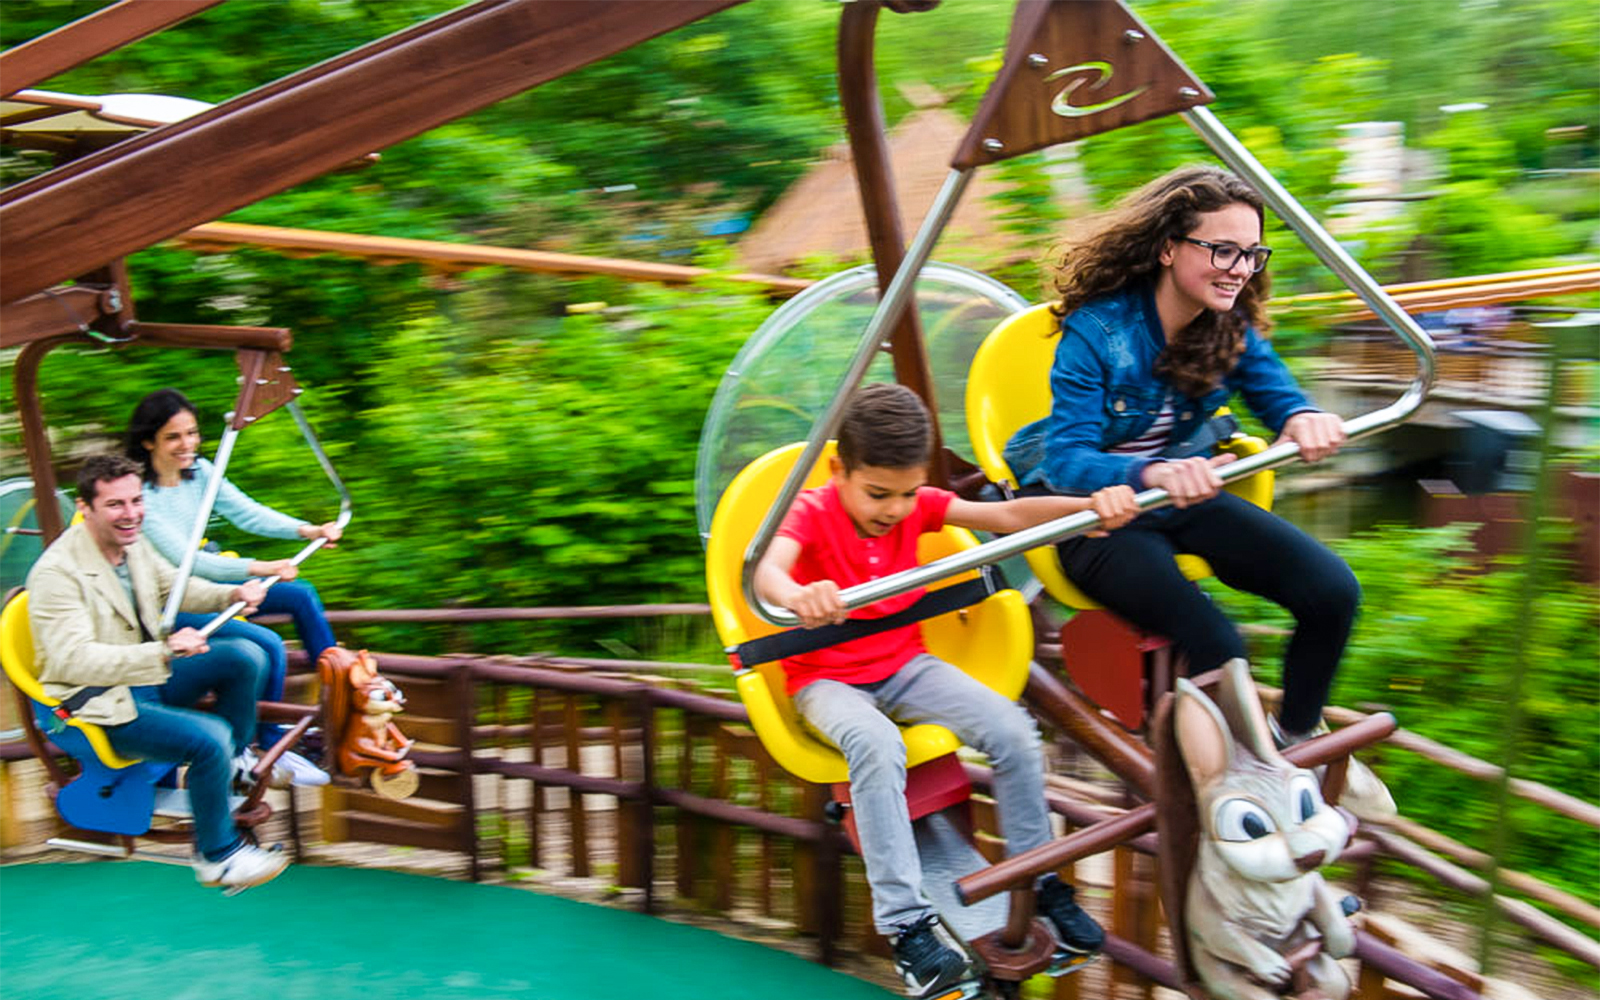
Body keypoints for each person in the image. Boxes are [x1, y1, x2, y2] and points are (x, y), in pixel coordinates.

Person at [1003, 164, 1391, 819]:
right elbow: (1068, 460)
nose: (1239, 267)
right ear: (1168, 248)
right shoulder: (1099, 330)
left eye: (1251, 252)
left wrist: (1302, 418)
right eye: (1222, 249)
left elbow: (1277, 395)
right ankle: (1238, 791)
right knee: (1218, 643)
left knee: (1332, 590)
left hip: (1176, 498)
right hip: (1095, 515)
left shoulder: (1227, 327)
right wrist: (1147, 474)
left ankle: (1295, 737)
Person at [754, 383, 1139, 999]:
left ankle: (1039, 884)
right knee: (878, 746)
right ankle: (909, 930)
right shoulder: (812, 510)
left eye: (908, 493)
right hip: (825, 679)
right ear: (838, 472)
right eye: (878, 493)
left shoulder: (916, 506)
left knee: (1014, 731)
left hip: (905, 665)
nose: (895, 509)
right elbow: (770, 569)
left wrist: (1087, 508)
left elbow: (1007, 516)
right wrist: (798, 595)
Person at [27, 454, 290, 891]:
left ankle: (236, 764)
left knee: (245, 655)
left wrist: (231, 594)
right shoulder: (57, 574)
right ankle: (217, 855)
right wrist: (162, 652)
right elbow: (73, 660)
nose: (130, 514)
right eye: (115, 505)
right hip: (93, 702)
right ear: (84, 507)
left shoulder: (132, 545)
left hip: (143, 680)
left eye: (135, 501)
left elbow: (175, 586)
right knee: (210, 739)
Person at [126, 388, 335, 786]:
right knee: (268, 646)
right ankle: (267, 742)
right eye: (173, 437)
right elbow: (186, 560)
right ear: (148, 440)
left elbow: (245, 512)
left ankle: (343, 686)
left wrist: (307, 529)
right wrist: (257, 569)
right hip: (175, 598)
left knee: (301, 594)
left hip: (213, 583)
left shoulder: (200, 472)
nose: (187, 445)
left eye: (191, 433)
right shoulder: (141, 497)